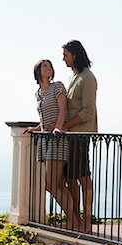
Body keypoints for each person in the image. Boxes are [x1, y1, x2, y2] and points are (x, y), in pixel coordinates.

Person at [25, 59, 79, 229]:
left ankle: (72, 221)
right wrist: (37, 128)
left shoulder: (58, 87)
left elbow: (63, 110)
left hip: (57, 138)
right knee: (58, 184)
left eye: (49, 66)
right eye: (44, 66)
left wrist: (58, 128)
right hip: (45, 139)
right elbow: (45, 117)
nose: (48, 68)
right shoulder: (38, 93)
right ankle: (73, 221)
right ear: (38, 71)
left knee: (50, 184)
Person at [62, 40, 98, 233]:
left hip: (80, 136)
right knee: (70, 177)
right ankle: (75, 218)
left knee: (83, 177)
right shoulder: (74, 77)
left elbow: (87, 112)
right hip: (71, 136)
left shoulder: (88, 78)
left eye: (65, 55)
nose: (63, 59)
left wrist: (65, 125)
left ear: (74, 55)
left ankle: (86, 221)